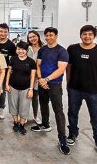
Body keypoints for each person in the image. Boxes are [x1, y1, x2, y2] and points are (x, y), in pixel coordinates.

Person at [30, 27, 71, 155]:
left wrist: (46, 79)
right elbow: (38, 65)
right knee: (43, 104)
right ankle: (45, 124)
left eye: (51, 35)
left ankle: (62, 138)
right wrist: (41, 79)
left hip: (54, 84)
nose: (48, 37)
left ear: (56, 36)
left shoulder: (62, 51)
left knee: (58, 110)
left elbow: (61, 69)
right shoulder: (42, 50)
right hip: (43, 82)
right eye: (46, 35)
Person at [66, 25, 97, 152]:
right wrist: (68, 83)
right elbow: (68, 67)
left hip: (95, 91)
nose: (87, 36)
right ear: (80, 35)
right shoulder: (72, 49)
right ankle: (73, 134)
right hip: (75, 89)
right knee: (73, 113)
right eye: (84, 34)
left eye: (90, 34)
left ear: (94, 36)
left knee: (96, 117)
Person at [6, 41, 36, 135]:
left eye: (23, 49)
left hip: (26, 88)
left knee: (24, 107)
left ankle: (22, 125)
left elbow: (32, 77)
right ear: (16, 50)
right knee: (13, 106)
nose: (21, 51)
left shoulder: (31, 61)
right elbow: (9, 73)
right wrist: (6, 84)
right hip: (13, 87)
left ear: (26, 50)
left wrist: (31, 89)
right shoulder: (13, 59)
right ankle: (15, 122)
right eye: (19, 49)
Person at [0, 23, 16, 119]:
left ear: (8, 33)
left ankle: (1, 108)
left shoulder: (11, 45)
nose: (3, 33)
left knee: (2, 91)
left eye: (5, 32)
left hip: (4, 71)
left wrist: (10, 71)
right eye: (1, 31)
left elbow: (13, 60)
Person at [27, 30, 43, 125]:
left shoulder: (44, 48)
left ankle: (35, 116)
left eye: (34, 36)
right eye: (30, 37)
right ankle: (23, 116)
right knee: (25, 97)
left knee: (35, 98)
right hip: (27, 76)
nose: (32, 39)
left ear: (38, 36)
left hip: (38, 76)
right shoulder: (27, 48)